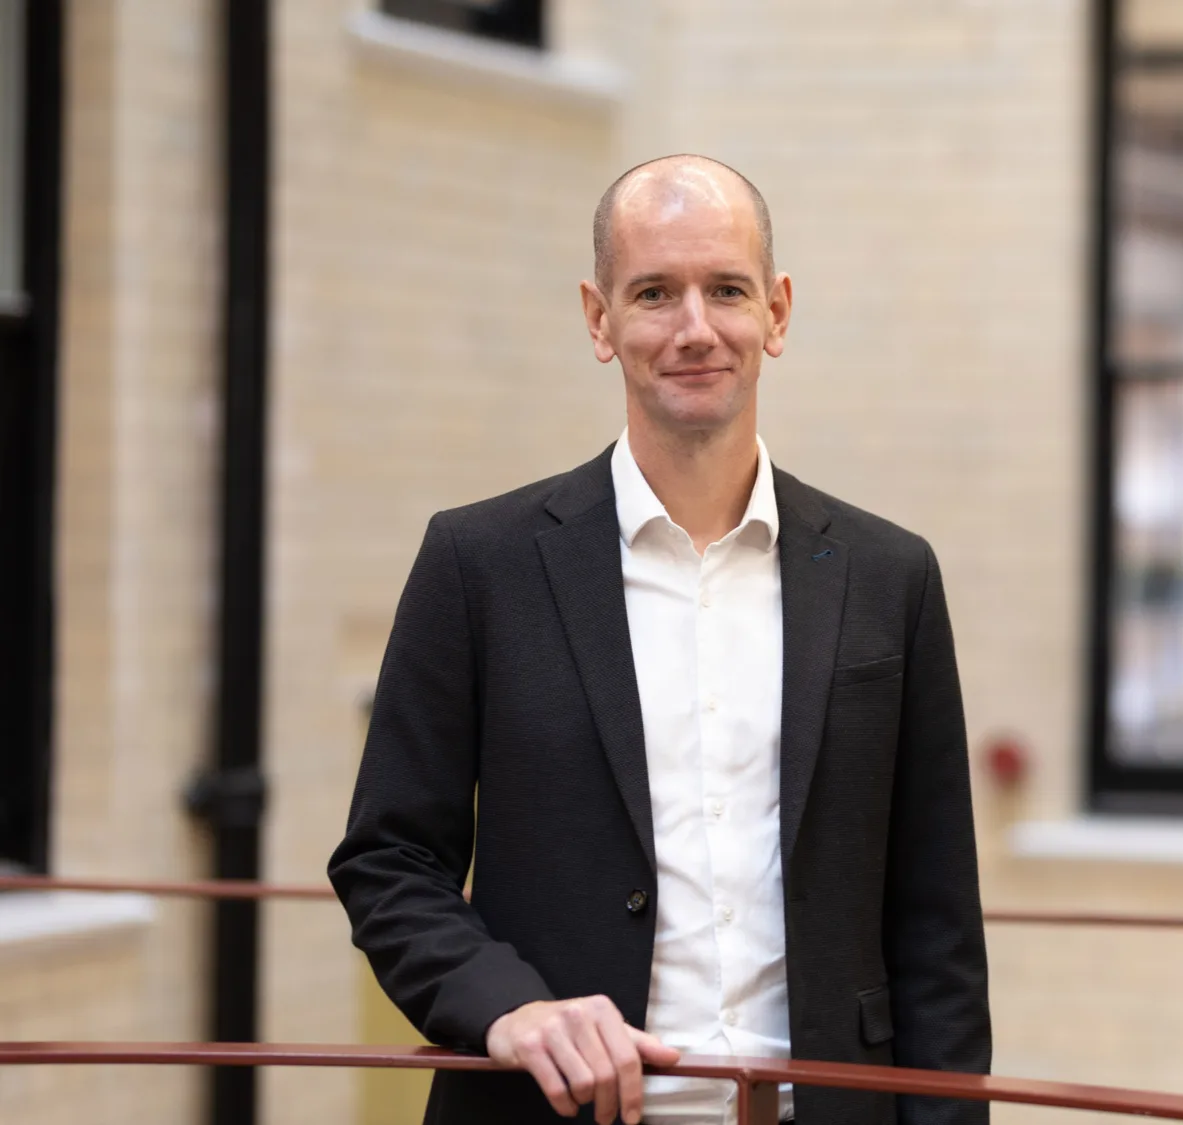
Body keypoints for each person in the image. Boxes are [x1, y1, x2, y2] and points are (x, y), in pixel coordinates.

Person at [329, 156, 991, 1125]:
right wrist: (508, 1007)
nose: (694, 328)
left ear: (776, 311)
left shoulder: (892, 577)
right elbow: (387, 861)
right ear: (599, 320)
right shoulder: (477, 566)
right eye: (653, 293)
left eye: (726, 289)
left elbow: (938, 927)